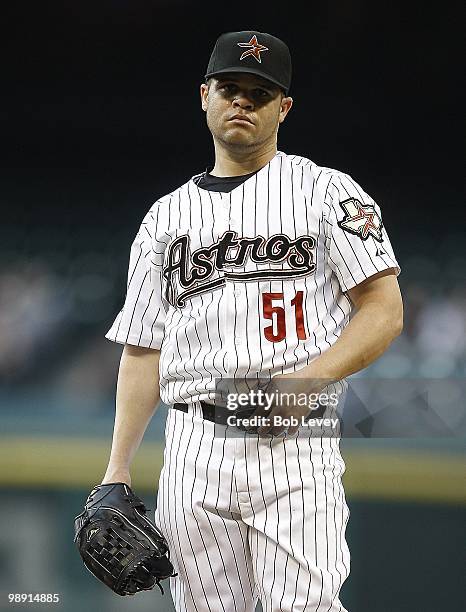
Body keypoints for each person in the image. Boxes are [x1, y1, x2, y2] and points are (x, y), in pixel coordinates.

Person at [102, 30, 403, 612]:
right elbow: (142, 350)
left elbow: (384, 309)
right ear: (205, 96)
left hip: (293, 438)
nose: (242, 101)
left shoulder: (325, 191)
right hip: (192, 441)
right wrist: (116, 471)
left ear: (283, 108)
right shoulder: (166, 217)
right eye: (230, 88)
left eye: (260, 93)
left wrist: (308, 379)